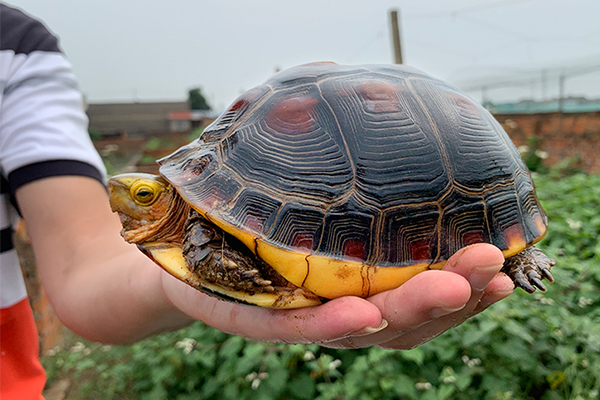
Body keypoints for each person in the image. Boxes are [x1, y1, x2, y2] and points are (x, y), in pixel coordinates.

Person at [0, 3, 514, 399]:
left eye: (144, 195)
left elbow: (80, 263)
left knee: (499, 257)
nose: (124, 199)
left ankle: (521, 249)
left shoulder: (17, 49)